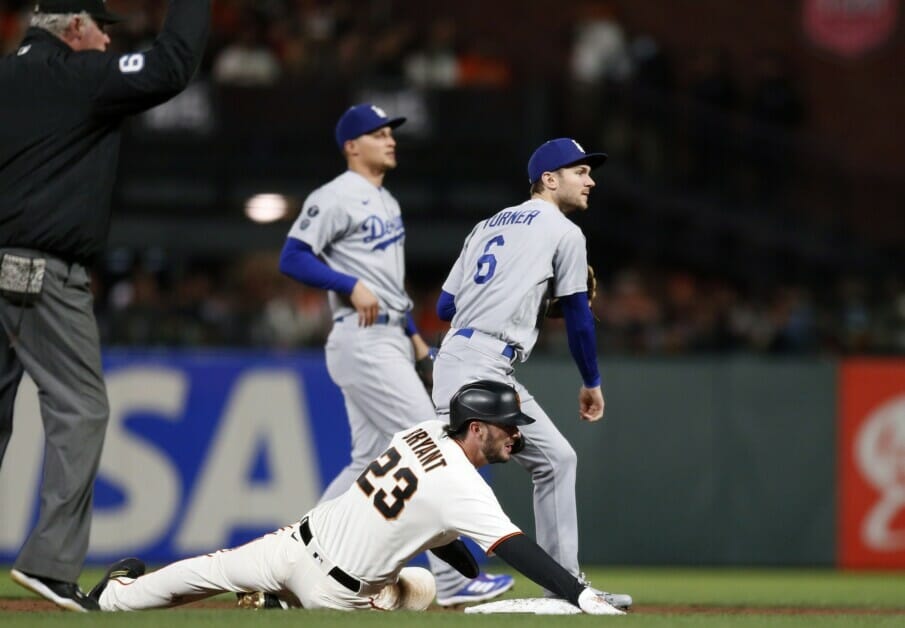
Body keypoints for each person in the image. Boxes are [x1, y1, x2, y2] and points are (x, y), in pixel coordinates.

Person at [0, 0, 210, 612]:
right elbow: (170, 65)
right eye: (100, 29)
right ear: (73, 27)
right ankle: (50, 562)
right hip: (39, 270)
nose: (106, 42)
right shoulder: (78, 76)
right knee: (81, 408)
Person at [88, 381, 626, 615]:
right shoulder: (463, 487)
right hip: (338, 594)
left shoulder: (422, 431)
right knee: (417, 590)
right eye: (508, 424)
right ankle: (284, 603)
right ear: (478, 428)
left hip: (295, 542)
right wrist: (579, 594)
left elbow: (427, 519)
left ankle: (109, 601)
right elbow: (516, 548)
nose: (516, 433)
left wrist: (459, 554)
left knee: (208, 570)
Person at [277, 103, 513, 605]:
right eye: (378, 133)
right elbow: (292, 256)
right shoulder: (335, 195)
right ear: (351, 146)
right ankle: (453, 581)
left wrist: (414, 335)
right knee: (435, 446)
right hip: (360, 335)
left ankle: (291, 562)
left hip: (388, 335)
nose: (390, 139)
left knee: (365, 463)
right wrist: (347, 283)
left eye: (390, 132)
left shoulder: (386, 200)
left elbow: (387, 284)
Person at [432, 138, 630, 608]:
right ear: (549, 179)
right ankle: (362, 560)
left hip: (462, 356)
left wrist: (529, 299)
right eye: (580, 171)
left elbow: (445, 306)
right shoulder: (564, 232)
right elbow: (579, 319)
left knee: (553, 460)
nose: (590, 180)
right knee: (444, 473)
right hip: (483, 363)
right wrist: (592, 382)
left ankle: (563, 586)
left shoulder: (486, 225)